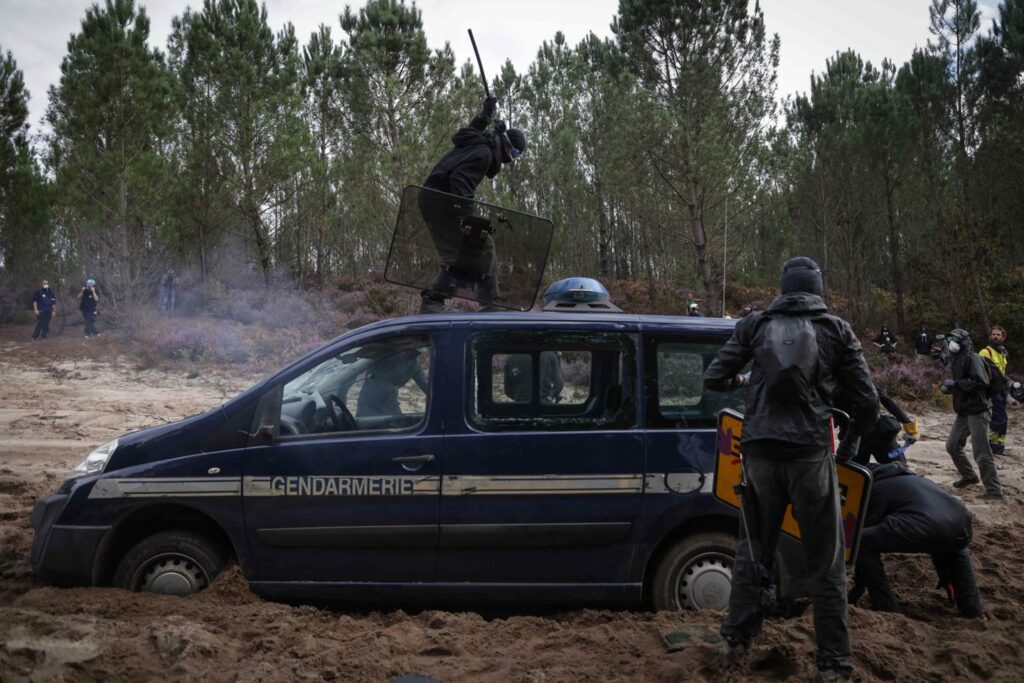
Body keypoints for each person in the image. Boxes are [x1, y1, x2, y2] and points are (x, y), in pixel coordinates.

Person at [704, 256, 878, 681]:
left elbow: (714, 378)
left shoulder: (755, 324)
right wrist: (849, 444)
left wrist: (747, 384)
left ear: (783, 288)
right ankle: (834, 664)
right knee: (826, 561)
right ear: (817, 289)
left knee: (752, 550)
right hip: (809, 454)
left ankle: (734, 641)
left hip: (760, 452)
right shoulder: (836, 329)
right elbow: (868, 402)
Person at [419, 96, 527, 314]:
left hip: (435, 200)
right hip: (442, 204)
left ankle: (484, 303)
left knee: (472, 249)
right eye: (514, 153)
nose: (512, 159)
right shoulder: (485, 154)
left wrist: (485, 116)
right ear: (507, 146)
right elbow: (458, 183)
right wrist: (470, 220)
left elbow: (470, 132)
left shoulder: (480, 143)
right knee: (477, 246)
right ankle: (485, 304)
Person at [849, 461, 982, 617]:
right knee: (953, 547)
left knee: (862, 542)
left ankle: (887, 609)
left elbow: (862, 539)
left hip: (923, 526)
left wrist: (858, 586)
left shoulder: (873, 488)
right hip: (961, 525)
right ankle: (971, 606)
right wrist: (944, 576)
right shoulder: (919, 480)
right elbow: (939, 530)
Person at [941, 328, 1004, 499]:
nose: (951, 343)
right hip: (964, 410)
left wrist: (955, 384)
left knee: (981, 452)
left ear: (963, 342)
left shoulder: (973, 357)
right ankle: (970, 476)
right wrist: (950, 388)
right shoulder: (957, 359)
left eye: (954, 340)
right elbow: (964, 384)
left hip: (978, 410)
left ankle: (994, 490)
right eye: (950, 339)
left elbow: (981, 382)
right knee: (952, 445)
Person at [835, 382, 918, 466]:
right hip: (877, 430)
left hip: (852, 437)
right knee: (900, 469)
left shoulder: (825, 379)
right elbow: (885, 399)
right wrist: (909, 426)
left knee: (854, 475)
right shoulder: (856, 373)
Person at [356, 349, 429, 418]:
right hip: (368, 404)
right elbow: (367, 355)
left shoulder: (415, 365)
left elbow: (424, 385)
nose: (414, 353)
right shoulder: (387, 353)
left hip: (390, 404)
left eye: (417, 352)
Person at [979, 326, 1010, 455]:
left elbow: (1001, 372)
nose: (995, 336)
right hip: (991, 389)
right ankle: (993, 445)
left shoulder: (1002, 353)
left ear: (1003, 337)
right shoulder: (986, 352)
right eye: (993, 334)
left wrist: (1008, 381)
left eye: (998, 335)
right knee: (999, 417)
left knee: (1001, 417)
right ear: (990, 336)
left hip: (1000, 389)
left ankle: (999, 445)